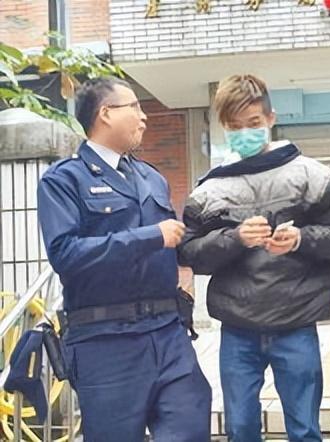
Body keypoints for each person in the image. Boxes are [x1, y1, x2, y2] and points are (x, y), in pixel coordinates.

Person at [178, 74, 330, 441]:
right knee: (240, 428)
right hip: (237, 326)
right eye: (234, 126)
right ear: (224, 127)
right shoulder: (209, 190)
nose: (245, 132)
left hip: (296, 321)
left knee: (304, 430)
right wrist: (235, 238)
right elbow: (190, 254)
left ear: (271, 118)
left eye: (253, 122)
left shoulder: (312, 177)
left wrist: (300, 239)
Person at [37, 77, 212, 441]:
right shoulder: (64, 180)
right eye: (134, 107)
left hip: (168, 333)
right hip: (105, 341)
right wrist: (151, 236)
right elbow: (65, 253)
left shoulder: (151, 177)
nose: (143, 117)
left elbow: (175, 241)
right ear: (105, 113)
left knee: (190, 425)